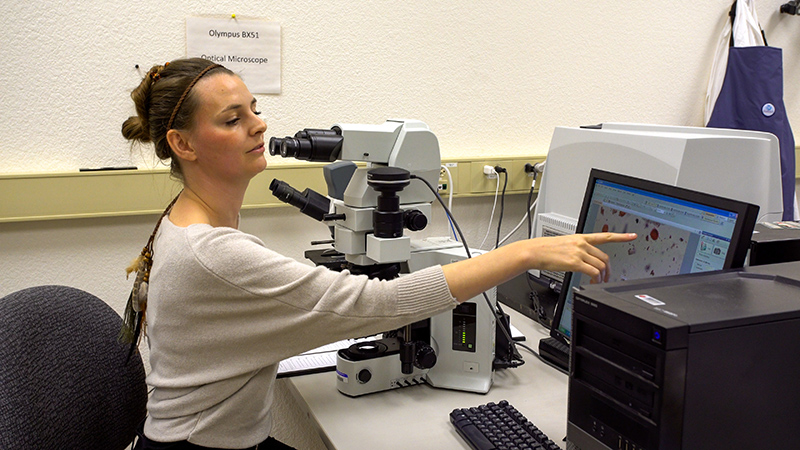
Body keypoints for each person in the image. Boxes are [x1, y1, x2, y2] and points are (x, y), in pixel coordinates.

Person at [120, 57, 636, 450]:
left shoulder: (185, 220)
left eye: (255, 110)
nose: (257, 125)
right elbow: (378, 304)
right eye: (232, 119)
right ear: (183, 145)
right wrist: (522, 254)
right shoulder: (216, 253)